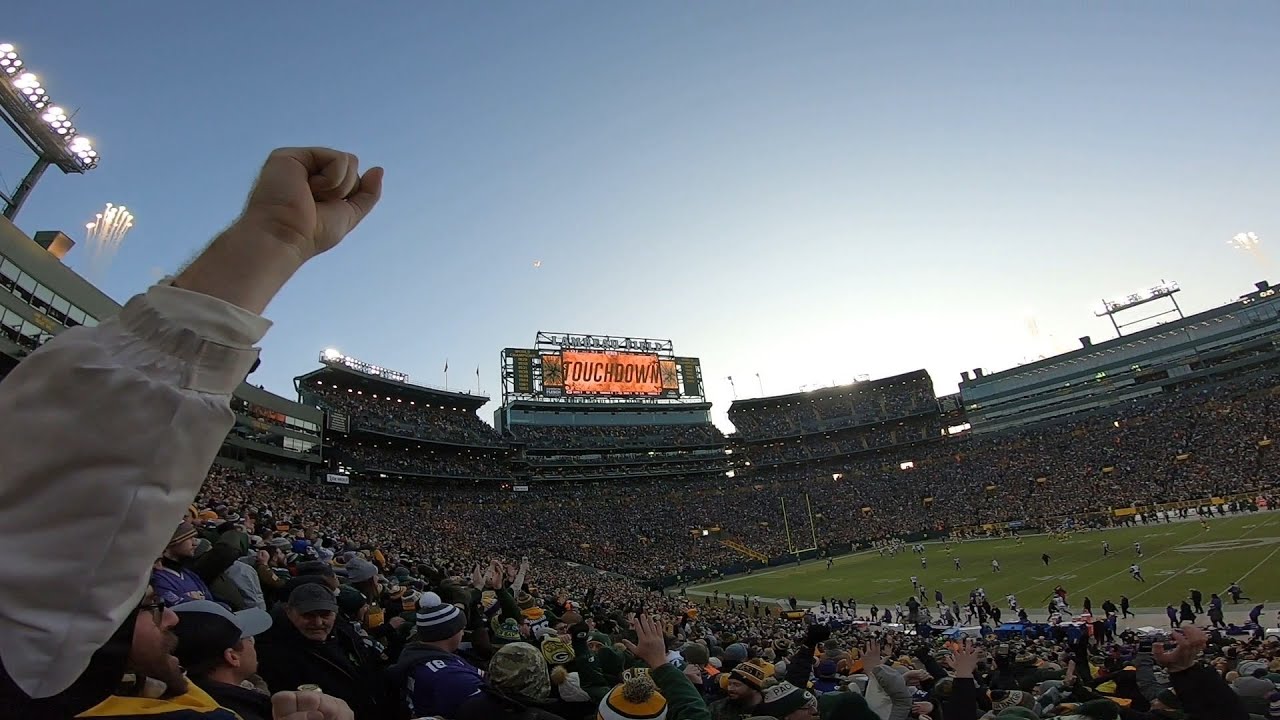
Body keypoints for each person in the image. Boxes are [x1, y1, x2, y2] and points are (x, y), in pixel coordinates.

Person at [0, 145, 382, 719]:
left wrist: (272, 239)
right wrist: (273, 241)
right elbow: (93, 461)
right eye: (150, 604)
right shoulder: (35, 665)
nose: (171, 614)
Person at [257, 582, 390, 719]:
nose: (318, 623)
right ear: (289, 612)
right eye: (308, 616)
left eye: (325, 615)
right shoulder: (275, 656)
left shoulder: (345, 634)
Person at [171, 601, 275, 720]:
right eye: (249, 639)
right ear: (232, 657)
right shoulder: (245, 712)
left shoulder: (177, 707)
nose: (253, 646)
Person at [391, 591, 484, 718]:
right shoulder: (451, 677)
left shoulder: (416, 654)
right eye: (461, 628)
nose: (462, 633)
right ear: (450, 632)